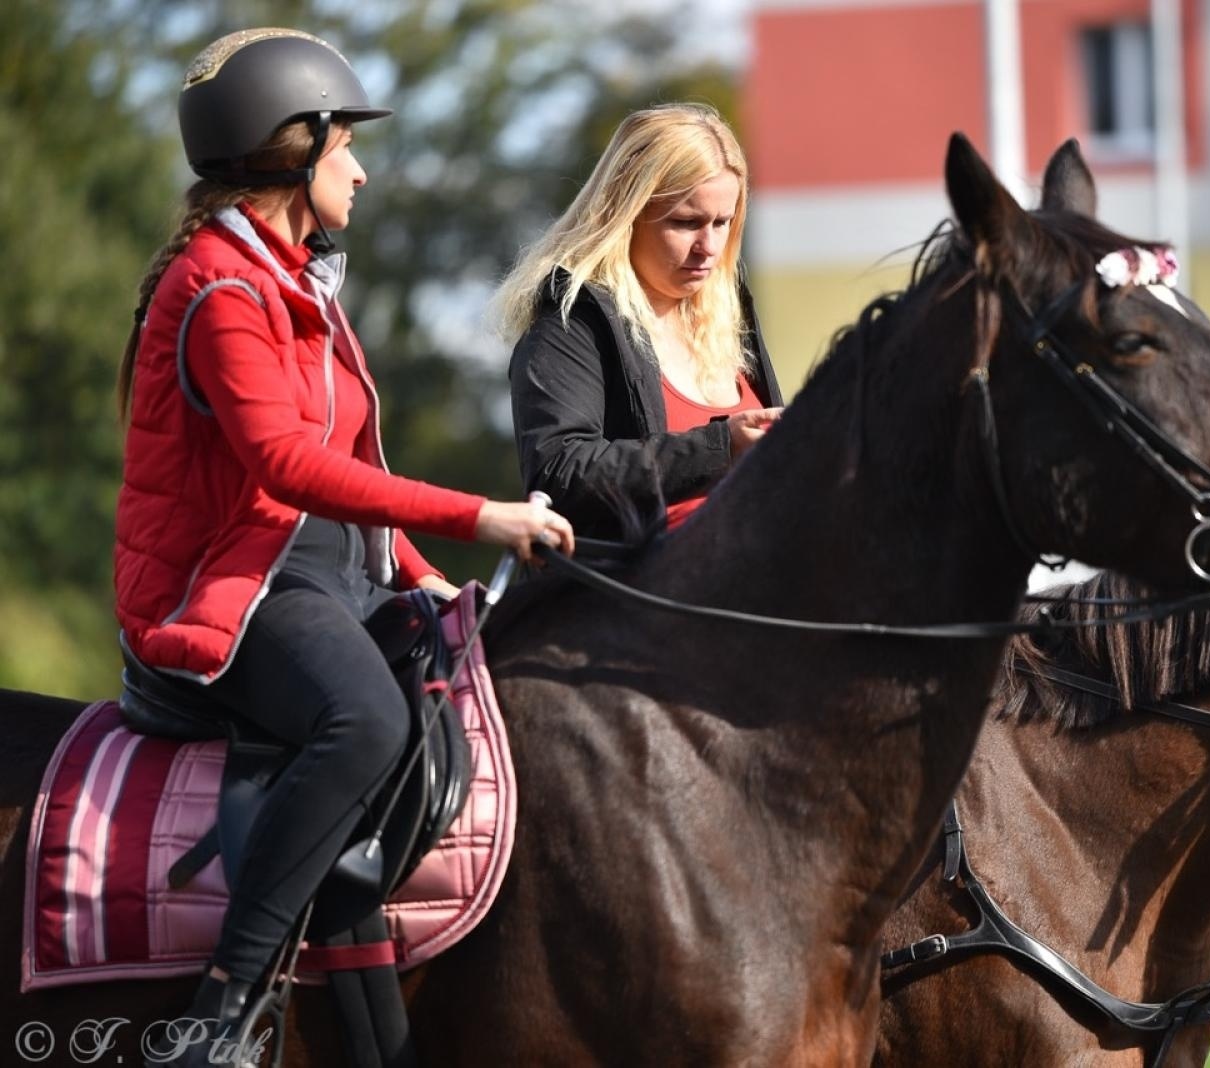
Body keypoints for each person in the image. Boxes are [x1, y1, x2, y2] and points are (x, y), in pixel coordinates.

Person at [113, 28, 574, 1062]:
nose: (360, 169)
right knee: (363, 720)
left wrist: (424, 576)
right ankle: (221, 1009)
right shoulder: (222, 290)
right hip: (228, 591)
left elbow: (351, 471)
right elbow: (284, 465)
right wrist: (482, 513)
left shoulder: (299, 283)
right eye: (343, 147)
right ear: (291, 148)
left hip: (321, 575)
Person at [493, 103, 784, 538]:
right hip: (635, 598)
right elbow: (558, 475)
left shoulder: (732, 314)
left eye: (722, 222)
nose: (709, 246)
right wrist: (720, 448)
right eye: (686, 222)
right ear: (625, 216)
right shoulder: (570, 324)